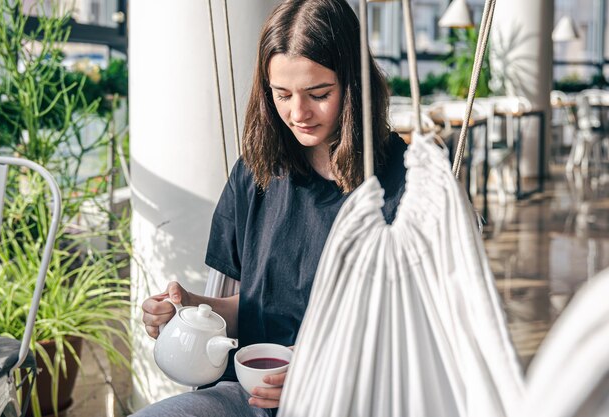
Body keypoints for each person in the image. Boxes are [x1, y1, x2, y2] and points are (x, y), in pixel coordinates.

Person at [133, 0, 408, 416]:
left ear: (353, 85)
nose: (298, 114)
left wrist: (318, 368)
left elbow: (408, 328)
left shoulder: (399, 181)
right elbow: (254, 308)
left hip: (353, 397)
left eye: (319, 94)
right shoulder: (258, 170)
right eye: (282, 94)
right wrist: (192, 309)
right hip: (251, 393)